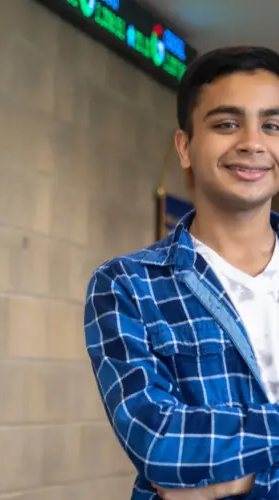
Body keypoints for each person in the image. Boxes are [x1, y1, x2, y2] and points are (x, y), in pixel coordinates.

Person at [84, 46, 279, 499]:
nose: (253, 142)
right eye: (227, 123)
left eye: (272, 125)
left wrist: (234, 481)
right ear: (186, 146)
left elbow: (184, 470)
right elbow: (161, 446)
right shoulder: (127, 286)